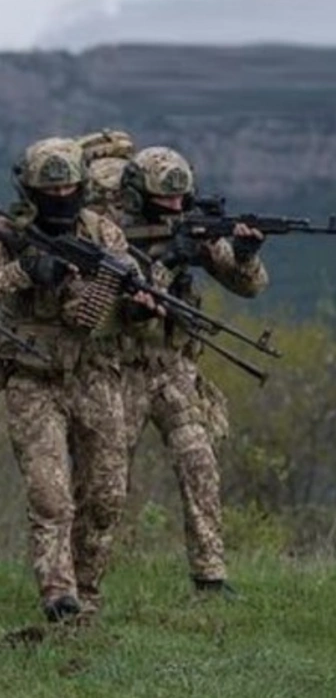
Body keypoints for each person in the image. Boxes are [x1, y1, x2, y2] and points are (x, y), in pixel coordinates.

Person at [0, 137, 140, 622]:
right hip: (32, 376)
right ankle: (58, 597)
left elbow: (134, 288)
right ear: (31, 190)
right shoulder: (6, 233)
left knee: (106, 494)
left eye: (69, 187)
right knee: (49, 494)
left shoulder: (103, 233)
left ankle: (88, 590)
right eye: (49, 190)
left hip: (96, 374)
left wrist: (139, 304)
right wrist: (24, 271)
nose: (60, 197)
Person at [114, 146, 268, 594]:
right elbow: (123, 296)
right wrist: (166, 261)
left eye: (181, 198)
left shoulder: (190, 228)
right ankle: (82, 579)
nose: (176, 207)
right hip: (122, 369)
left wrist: (244, 254)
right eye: (165, 199)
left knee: (199, 462)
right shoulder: (113, 234)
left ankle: (211, 576)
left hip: (176, 368)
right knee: (105, 479)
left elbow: (251, 287)